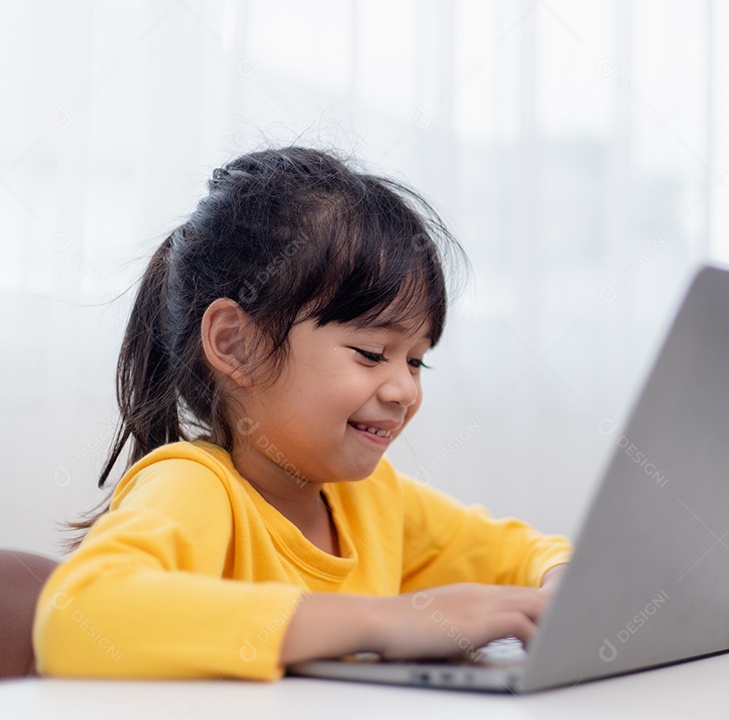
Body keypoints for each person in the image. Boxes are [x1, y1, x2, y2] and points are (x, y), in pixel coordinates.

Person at [33, 147, 572, 680]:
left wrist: (559, 586)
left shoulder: (374, 499)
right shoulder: (195, 486)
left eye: (416, 361)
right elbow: (77, 616)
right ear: (235, 345)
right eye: (371, 353)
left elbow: (527, 555)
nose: (405, 389)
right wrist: (381, 620)